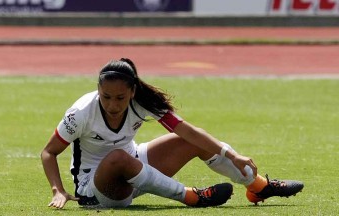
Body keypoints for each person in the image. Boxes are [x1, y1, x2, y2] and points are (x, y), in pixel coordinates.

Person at [41, 58, 304, 209]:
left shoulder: (141, 102)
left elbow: (187, 129)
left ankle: (257, 187)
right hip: (97, 190)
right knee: (119, 158)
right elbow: (49, 152)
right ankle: (190, 196)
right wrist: (58, 190)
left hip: (135, 170)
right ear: (98, 90)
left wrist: (231, 154)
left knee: (187, 141)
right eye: (106, 96)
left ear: (132, 92)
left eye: (120, 97)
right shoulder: (81, 112)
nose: (112, 104)